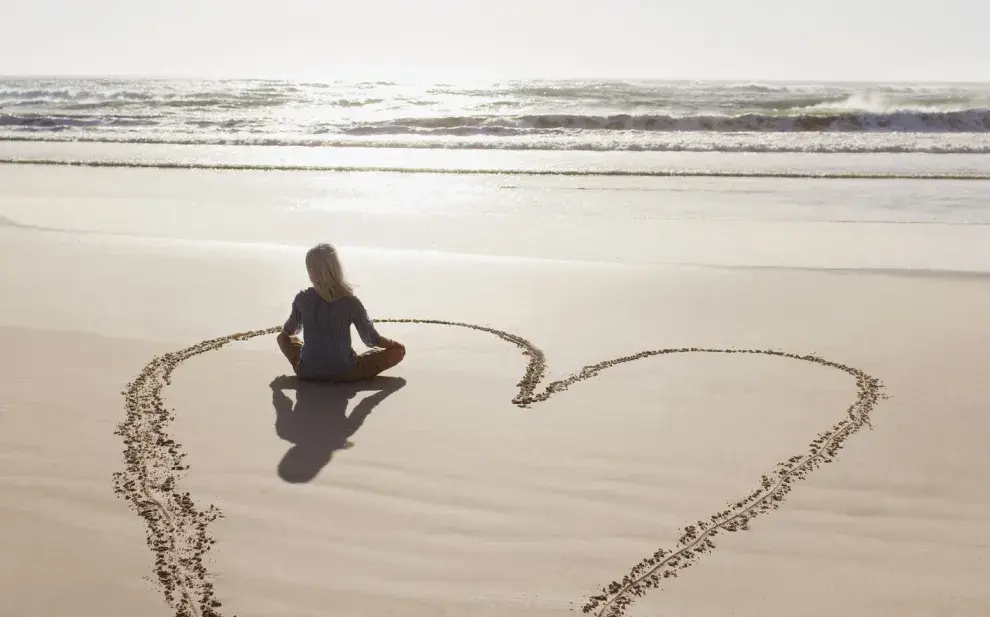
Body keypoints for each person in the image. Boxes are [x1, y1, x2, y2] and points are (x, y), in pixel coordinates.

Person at [277, 243, 405, 381]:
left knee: (282, 338)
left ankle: (314, 360)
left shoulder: (302, 298)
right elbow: (371, 339)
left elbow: (290, 331)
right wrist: (393, 344)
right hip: (346, 372)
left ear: (311, 272)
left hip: (307, 371)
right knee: (398, 352)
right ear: (336, 268)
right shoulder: (351, 303)